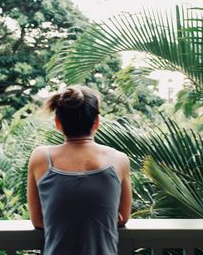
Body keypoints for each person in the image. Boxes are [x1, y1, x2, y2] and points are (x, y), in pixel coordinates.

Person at [27, 85, 132, 255]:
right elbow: (122, 218)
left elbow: (38, 221)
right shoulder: (118, 160)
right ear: (96, 122)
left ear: (58, 123)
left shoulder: (40, 158)